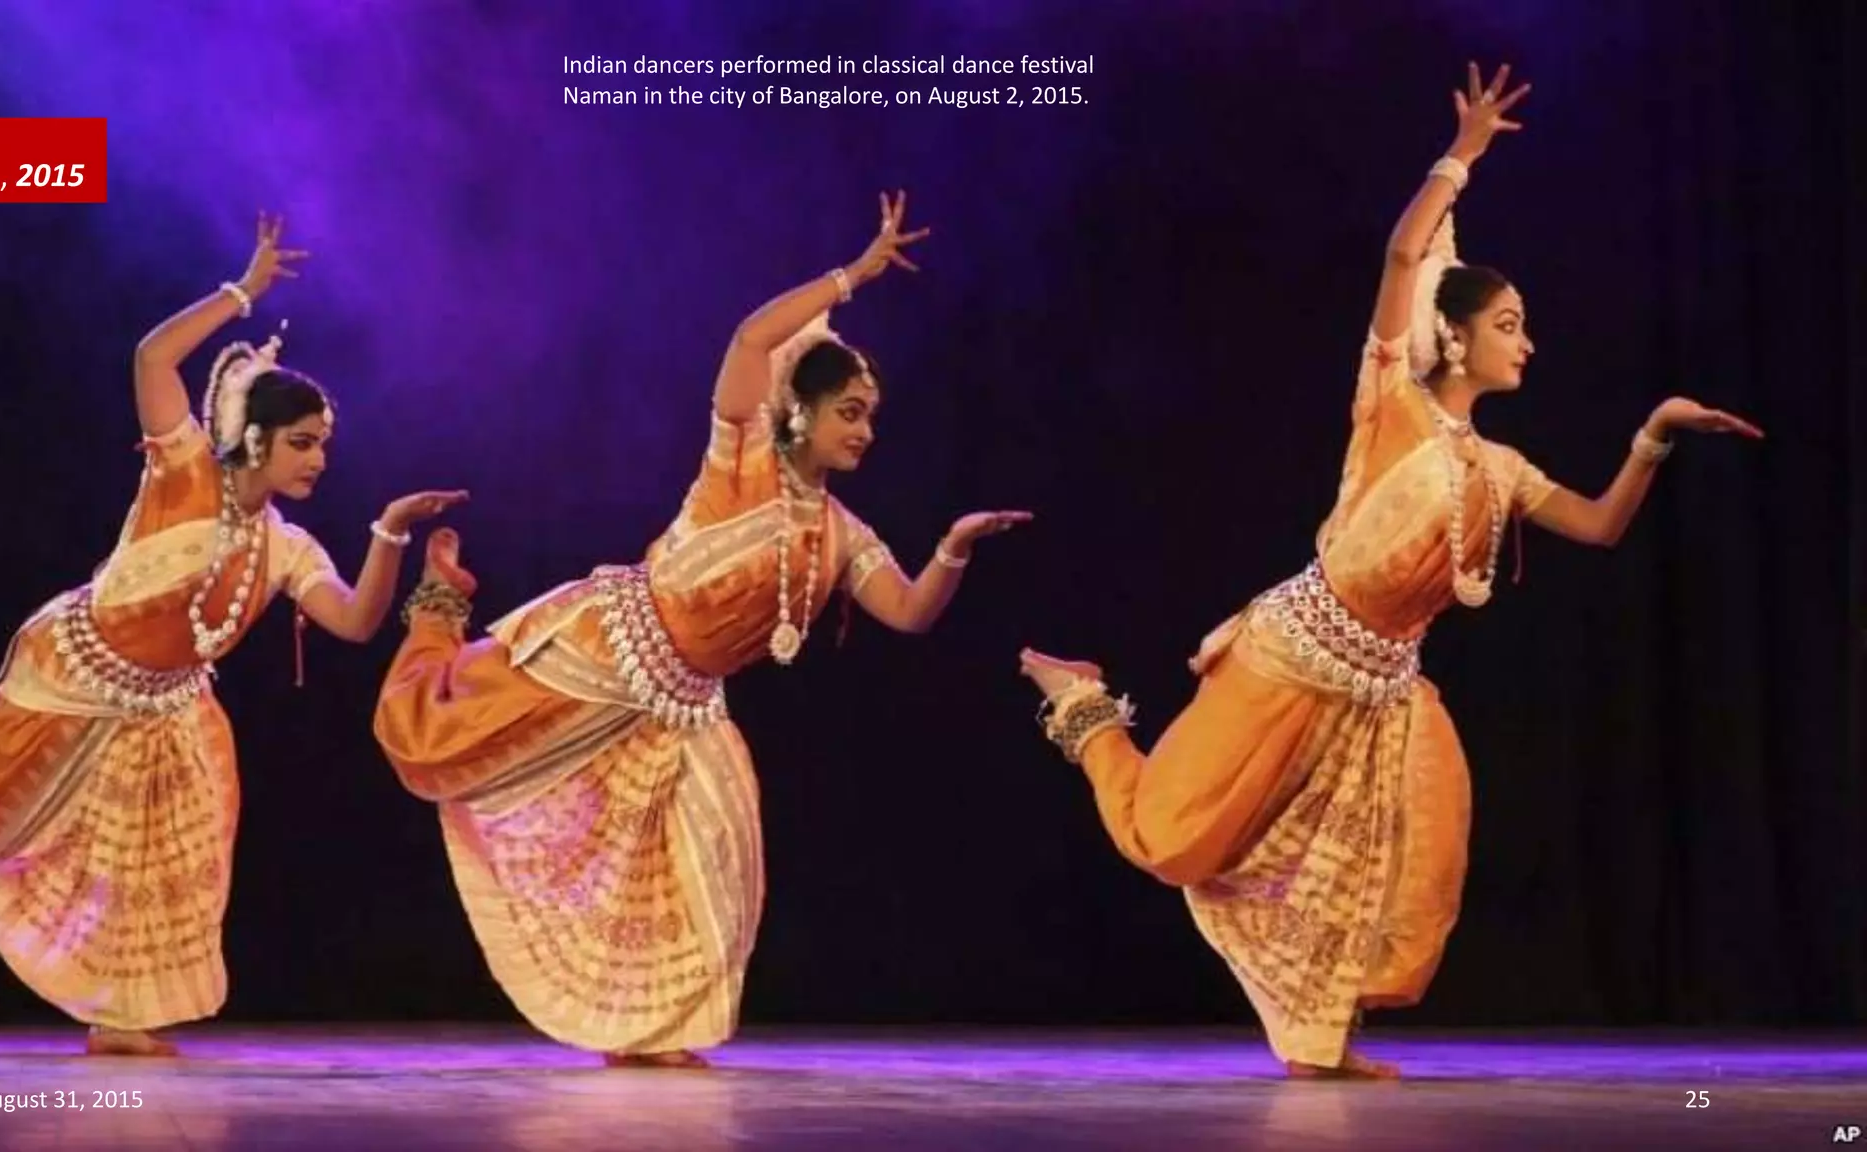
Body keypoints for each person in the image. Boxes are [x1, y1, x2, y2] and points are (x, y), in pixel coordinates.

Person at [1016, 64, 1763, 1080]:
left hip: (1382, 690)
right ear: (1451, 334)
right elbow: (1404, 253)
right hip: (1289, 656)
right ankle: (1081, 702)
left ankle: (1320, 1045)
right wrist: (1462, 155)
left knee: (1404, 867)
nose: (1528, 344)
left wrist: (1654, 436)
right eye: (1509, 325)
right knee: (1171, 838)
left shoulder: (1500, 469)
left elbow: (1595, 528)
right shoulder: (1390, 405)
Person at [374, 192, 1030, 1068]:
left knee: (725, 851)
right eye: (850, 412)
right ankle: (437, 605)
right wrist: (853, 275)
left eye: (871, 416)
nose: (866, 432)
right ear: (800, 412)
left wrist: (951, 550)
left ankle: (655, 1029)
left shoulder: (842, 533)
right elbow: (752, 341)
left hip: (686, 703)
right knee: (438, 737)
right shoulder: (741, 459)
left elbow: (910, 613)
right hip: (607, 649)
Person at [0, 214, 468, 1056]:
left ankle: (122, 1019)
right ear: (255, 439)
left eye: (323, 446)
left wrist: (389, 533)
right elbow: (152, 359)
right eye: (302, 444)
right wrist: (243, 291)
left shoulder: (285, 547)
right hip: (75, 673)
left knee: (164, 858)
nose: (317, 460)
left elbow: (354, 621)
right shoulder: (183, 469)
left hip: (169, 707)